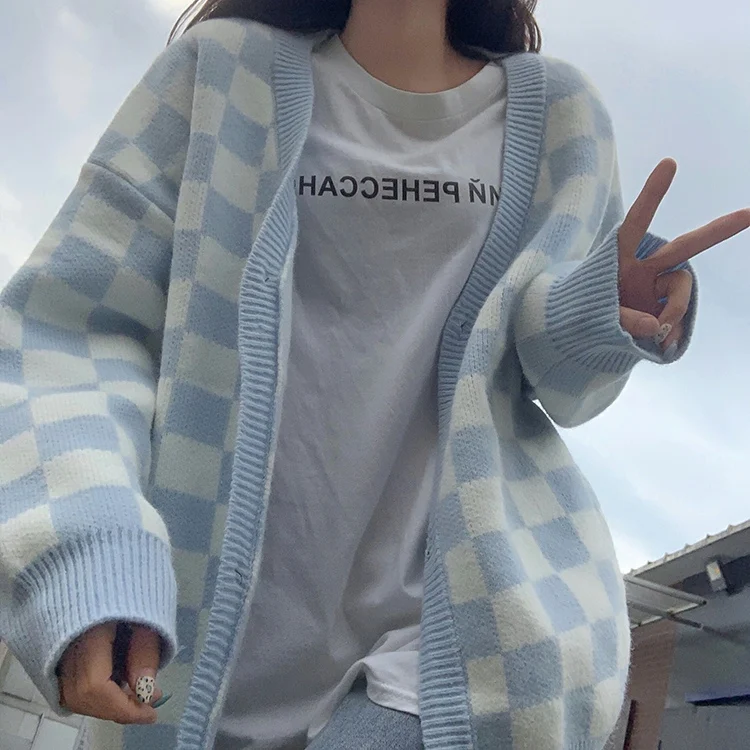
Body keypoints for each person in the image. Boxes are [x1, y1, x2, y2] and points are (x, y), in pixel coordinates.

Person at [0, 1, 747, 748]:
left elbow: (566, 382)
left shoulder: (562, 116)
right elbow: (67, 329)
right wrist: (87, 546)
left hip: (442, 652)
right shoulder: (218, 75)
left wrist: (603, 309)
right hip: (185, 648)